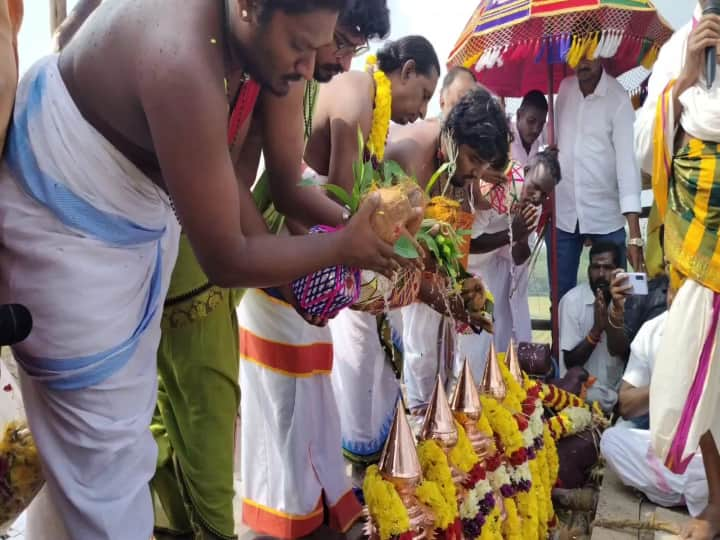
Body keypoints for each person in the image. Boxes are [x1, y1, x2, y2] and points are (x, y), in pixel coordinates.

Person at [0, 1, 414, 538]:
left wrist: (352, 232)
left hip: (129, 227)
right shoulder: (180, 57)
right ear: (249, 7)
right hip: (68, 229)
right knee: (106, 468)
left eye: (323, 46)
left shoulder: (236, 42)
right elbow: (226, 257)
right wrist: (342, 248)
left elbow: (237, 186)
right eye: (301, 46)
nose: (311, 69)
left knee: (102, 457)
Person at [150, 2, 391, 538]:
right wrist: (336, 246)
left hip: (213, 240)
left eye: (348, 46)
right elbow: (260, 193)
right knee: (198, 415)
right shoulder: (229, 50)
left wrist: (354, 227)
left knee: (180, 415)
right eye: (340, 42)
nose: (337, 61)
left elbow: (290, 177)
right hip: (191, 250)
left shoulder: (287, 65)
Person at [635, 2, 720, 538]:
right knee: (701, 374)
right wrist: (687, 76)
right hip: (695, 234)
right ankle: (716, 504)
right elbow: (646, 152)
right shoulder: (674, 52)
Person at [388, 86, 510, 413]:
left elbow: (450, 253)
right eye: (473, 160)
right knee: (404, 375)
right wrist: (454, 302)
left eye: (483, 165)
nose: (476, 173)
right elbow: (406, 256)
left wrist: (463, 293)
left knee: (438, 362)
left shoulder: (461, 171)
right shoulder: (416, 156)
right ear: (452, 137)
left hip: (422, 285)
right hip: (378, 281)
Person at [463, 89, 551, 365]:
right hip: (476, 253)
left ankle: (511, 365)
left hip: (503, 247)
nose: (535, 130)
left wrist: (521, 235)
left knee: (509, 305)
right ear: (519, 116)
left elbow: (518, 255)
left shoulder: (536, 165)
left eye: (541, 124)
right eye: (531, 122)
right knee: (480, 317)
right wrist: (512, 232)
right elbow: (473, 241)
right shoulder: (501, 153)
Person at [601, 294, 709, 518]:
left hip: (710, 448)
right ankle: (696, 493)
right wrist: (668, 384)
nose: (678, 291)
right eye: (675, 278)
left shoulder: (712, 325)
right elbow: (626, 405)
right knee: (612, 440)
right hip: (672, 447)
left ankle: (685, 492)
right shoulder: (653, 330)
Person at [551, 56, 644, 301]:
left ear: (602, 52)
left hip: (606, 218)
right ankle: (563, 342)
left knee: (617, 297)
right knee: (559, 299)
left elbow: (627, 166)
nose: (582, 61)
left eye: (589, 53)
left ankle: (611, 340)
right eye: (577, 52)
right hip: (565, 214)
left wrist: (635, 235)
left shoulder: (618, 97)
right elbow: (556, 146)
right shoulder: (564, 89)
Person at [558, 242, 628, 413]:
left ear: (618, 270)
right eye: (596, 267)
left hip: (620, 397)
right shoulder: (572, 302)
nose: (601, 274)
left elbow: (627, 353)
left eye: (607, 267)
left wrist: (614, 317)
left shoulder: (629, 300)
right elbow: (570, 362)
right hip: (583, 397)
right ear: (589, 269)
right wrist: (596, 330)